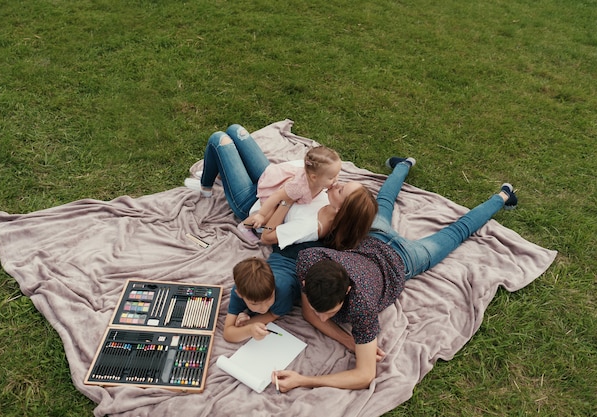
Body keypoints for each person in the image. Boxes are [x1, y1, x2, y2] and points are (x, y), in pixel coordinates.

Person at [273, 156, 519, 391]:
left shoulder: (362, 305)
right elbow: (310, 313)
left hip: (404, 259)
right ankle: (403, 165)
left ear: (348, 290)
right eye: (321, 310)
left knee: (457, 232)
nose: (322, 319)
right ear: (305, 279)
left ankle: (502, 195)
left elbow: (365, 375)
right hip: (371, 239)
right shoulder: (311, 259)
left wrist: (303, 380)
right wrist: (349, 341)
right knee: (386, 202)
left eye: (330, 312)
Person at [185, 124, 375, 249]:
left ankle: (207, 186)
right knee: (236, 131)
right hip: (271, 181)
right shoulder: (330, 194)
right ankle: (222, 174)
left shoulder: (311, 226)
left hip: (252, 203)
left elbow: (267, 238)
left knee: (219, 140)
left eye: (341, 189)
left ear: (341, 208)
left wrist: (287, 200)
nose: (338, 183)